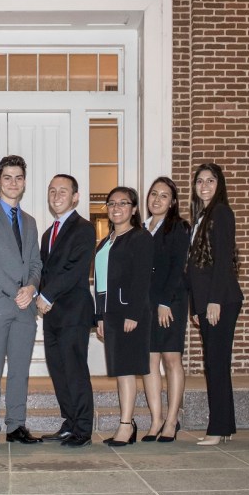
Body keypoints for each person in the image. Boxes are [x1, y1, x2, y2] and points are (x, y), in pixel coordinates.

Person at [0, 155, 43, 447]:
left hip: (25, 308)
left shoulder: (30, 221)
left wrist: (32, 288)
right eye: (8, 177)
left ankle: (16, 425)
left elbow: (37, 263)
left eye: (18, 177)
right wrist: (18, 290)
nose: (13, 183)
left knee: (19, 370)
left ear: (24, 182)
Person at [185, 163, 243, 446]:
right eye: (200, 181)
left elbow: (222, 262)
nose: (204, 186)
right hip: (208, 301)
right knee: (216, 363)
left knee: (215, 364)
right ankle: (226, 426)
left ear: (219, 185)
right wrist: (195, 306)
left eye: (210, 180)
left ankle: (217, 429)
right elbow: (195, 269)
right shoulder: (202, 216)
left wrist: (214, 301)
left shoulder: (221, 212)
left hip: (221, 299)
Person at [37, 174, 96, 447]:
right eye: (52, 190)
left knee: (75, 370)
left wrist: (47, 294)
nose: (56, 195)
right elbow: (44, 271)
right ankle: (69, 422)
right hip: (51, 315)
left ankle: (83, 428)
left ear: (75, 197)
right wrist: (35, 291)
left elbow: (75, 268)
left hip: (74, 312)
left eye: (63, 191)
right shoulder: (48, 233)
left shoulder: (83, 228)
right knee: (58, 370)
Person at [95, 186, 152, 447]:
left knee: (127, 370)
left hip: (129, 313)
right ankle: (126, 423)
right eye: (112, 203)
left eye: (123, 203)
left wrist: (133, 314)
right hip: (110, 313)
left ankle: (126, 425)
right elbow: (100, 283)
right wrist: (99, 317)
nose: (116, 208)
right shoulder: (105, 243)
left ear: (134, 209)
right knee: (120, 370)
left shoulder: (140, 237)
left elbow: (142, 279)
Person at [141, 177, 191, 443]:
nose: (157, 199)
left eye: (163, 196)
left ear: (172, 202)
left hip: (170, 302)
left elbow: (177, 266)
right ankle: (156, 419)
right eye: (153, 194)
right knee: (149, 362)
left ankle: (172, 420)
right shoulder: (141, 228)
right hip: (146, 303)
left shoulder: (179, 228)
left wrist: (165, 302)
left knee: (171, 359)